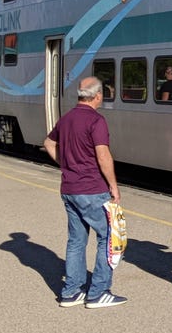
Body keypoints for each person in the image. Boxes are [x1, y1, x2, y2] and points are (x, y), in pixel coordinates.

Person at [43, 76, 126, 309]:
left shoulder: (66, 118)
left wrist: (66, 165)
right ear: (97, 95)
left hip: (69, 188)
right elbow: (103, 155)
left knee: (76, 240)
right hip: (92, 189)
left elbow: (48, 143)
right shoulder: (96, 120)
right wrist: (113, 185)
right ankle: (98, 292)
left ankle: (71, 292)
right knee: (109, 238)